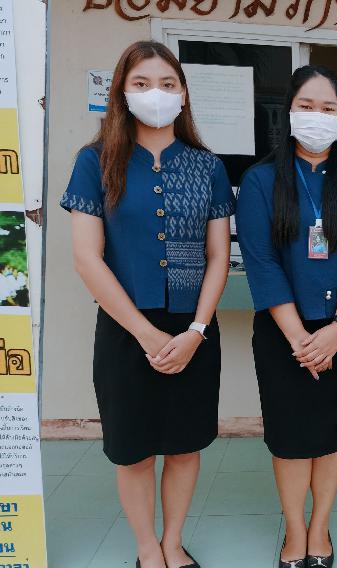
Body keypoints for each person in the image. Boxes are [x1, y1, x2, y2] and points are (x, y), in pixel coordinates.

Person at [61, 40, 235, 568]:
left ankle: (173, 541)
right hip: (124, 329)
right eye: (141, 83)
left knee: (184, 446)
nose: (154, 93)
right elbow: (87, 258)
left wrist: (197, 330)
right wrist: (145, 333)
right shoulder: (95, 162)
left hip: (193, 330)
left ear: (183, 94)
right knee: (133, 450)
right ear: (121, 92)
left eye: (167, 83)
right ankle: (146, 548)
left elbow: (218, 256)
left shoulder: (207, 167)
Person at [236, 65, 337, 568]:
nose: (317, 116)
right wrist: (300, 337)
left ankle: (320, 529)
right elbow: (262, 262)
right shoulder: (260, 181)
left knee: (333, 434)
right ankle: (295, 531)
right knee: (291, 439)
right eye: (306, 106)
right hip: (284, 334)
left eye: (328, 108)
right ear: (289, 113)